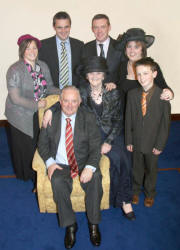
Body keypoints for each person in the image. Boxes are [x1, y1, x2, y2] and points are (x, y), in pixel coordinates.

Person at [43, 57, 135, 221]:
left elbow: (118, 120)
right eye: (91, 73)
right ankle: (114, 196)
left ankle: (125, 200)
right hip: (89, 133)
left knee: (123, 157)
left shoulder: (113, 92)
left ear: (104, 75)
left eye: (98, 73)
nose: (94, 76)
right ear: (86, 76)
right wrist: (50, 109)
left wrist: (108, 141)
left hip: (111, 133)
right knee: (108, 160)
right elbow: (66, 101)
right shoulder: (82, 91)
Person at [37, 86, 103, 249]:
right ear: (60, 102)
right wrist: (50, 163)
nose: (69, 105)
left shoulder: (88, 117)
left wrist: (90, 166)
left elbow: (96, 146)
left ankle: (93, 223)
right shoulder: (51, 117)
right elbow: (42, 144)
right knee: (57, 182)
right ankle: (70, 224)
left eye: (74, 101)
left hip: (83, 162)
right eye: (66, 100)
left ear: (80, 102)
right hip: (60, 164)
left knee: (95, 179)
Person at [5, 34, 59, 190]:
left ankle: (39, 172)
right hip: (19, 114)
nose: (31, 51)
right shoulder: (15, 69)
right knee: (26, 146)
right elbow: (15, 98)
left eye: (34, 47)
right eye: (28, 48)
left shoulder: (42, 65)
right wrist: (37, 104)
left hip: (39, 111)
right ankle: (28, 175)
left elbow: (48, 87)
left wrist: (63, 91)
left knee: (39, 142)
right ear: (22, 50)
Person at [125, 57, 171, 207]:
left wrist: (160, 145)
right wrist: (129, 140)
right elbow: (128, 120)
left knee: (152, 169)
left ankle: (150, 193)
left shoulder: (162, 96)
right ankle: (136, 190)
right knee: (136, 167)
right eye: (139, 74)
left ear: (154, 74)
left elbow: (165, 124)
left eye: (145, 73)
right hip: (137, 140)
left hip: (153, 142)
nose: (142, 78)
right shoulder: (132, 94)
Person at [117, 28, 174, 101]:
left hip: (147, 111)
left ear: (142, 49)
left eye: (136, 47)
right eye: (129, 46)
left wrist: (169, 93)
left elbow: (163, 87)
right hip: (125, 112)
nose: (132, 51)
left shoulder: (151, 66)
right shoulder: (121, 66)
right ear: (125, 49)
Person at [38, 11, 84, 88]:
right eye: (59, 27)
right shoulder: (43, 46)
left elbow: (82, 71)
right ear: (54, 27)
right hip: (52, 94)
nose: (63, 31)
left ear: (70, 27)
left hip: (74, 94)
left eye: (66, 27)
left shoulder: (79, 45)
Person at [83, 14, 122, 90]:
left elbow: (124, 73)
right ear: (92, 29)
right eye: (96, 27)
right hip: (92, 96)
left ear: (109, 27)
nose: (99, 31)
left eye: (103, 27)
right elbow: (83, 74)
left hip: (115, 95)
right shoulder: (85, 48)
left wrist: (115, 85)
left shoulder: (119, 47)